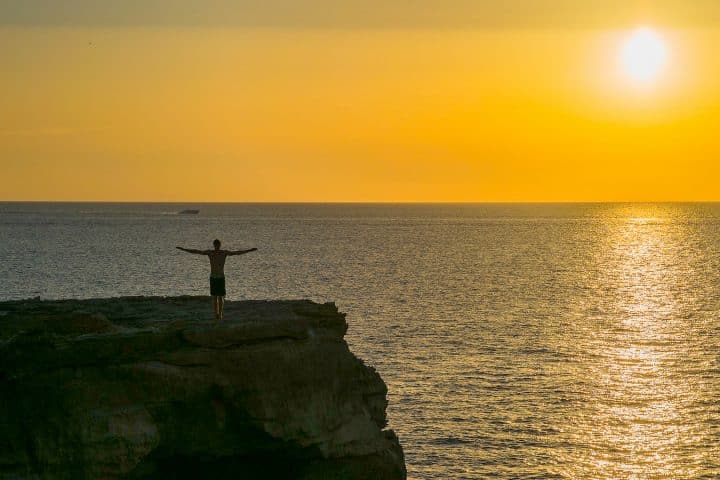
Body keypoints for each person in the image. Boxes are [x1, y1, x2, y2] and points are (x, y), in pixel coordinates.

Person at [176, 239, 257, 320]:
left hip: (220, 277)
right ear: (214, 245)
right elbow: (196, 251)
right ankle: (216, 314)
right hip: (214, 277)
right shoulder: (210, 253)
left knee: (220, 297)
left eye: (218, 245)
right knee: (215, 297)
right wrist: (184, 249)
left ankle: (220, 314)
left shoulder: (223, 253)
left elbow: (237, 253)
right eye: (216, 245)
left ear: (219, 245)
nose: (217, 246)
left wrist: (249, 250)